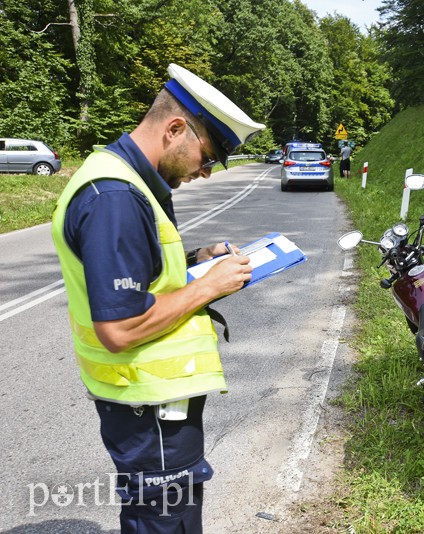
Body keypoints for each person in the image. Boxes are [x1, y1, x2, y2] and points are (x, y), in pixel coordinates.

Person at [51, 63, 265, 533]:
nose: (206, 173)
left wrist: (196, 260)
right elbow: (119, 327)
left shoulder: (128, 178)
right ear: (175, 129)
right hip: (147, 405)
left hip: (151, 400)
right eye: (207, 156)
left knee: (164, 514)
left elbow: (142, 270)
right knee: (165, 520)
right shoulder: (115, 197)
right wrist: (207, 287)